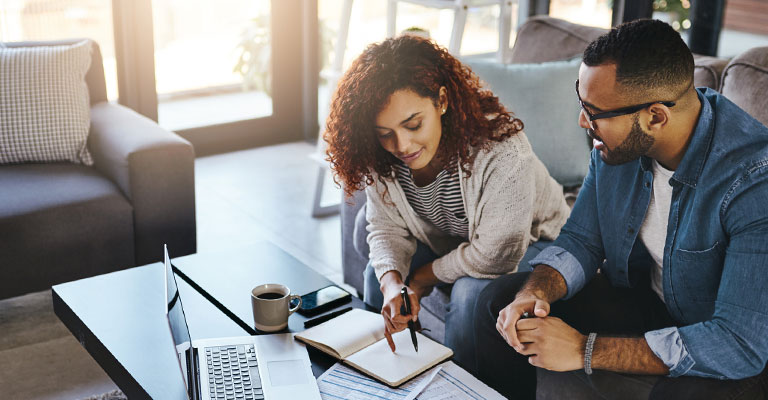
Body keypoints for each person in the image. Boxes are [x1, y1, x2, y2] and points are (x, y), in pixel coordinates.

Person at [473, 18, 768, 399]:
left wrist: (584, 350)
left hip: (729, 338)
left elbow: (739, 343)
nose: (583, 122)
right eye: (582, 102)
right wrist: (537, 293)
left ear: (655, 116)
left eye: (594, 112)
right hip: (650, 301)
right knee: (500, 306)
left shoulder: (753, 181)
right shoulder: (616, 147)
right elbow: (582, 240)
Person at [323, 35, 570, 373]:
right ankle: (383, 377)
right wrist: (393, 283)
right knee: (376, 276)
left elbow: (495, 253)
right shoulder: (383, 154)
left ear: (441, 101)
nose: (402, 144)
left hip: (536, 244)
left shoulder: (502, 150)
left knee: (470, 296)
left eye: (413, 124)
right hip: (457, 239)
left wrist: (423, 278)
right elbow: (384, 226)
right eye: (385, 132)